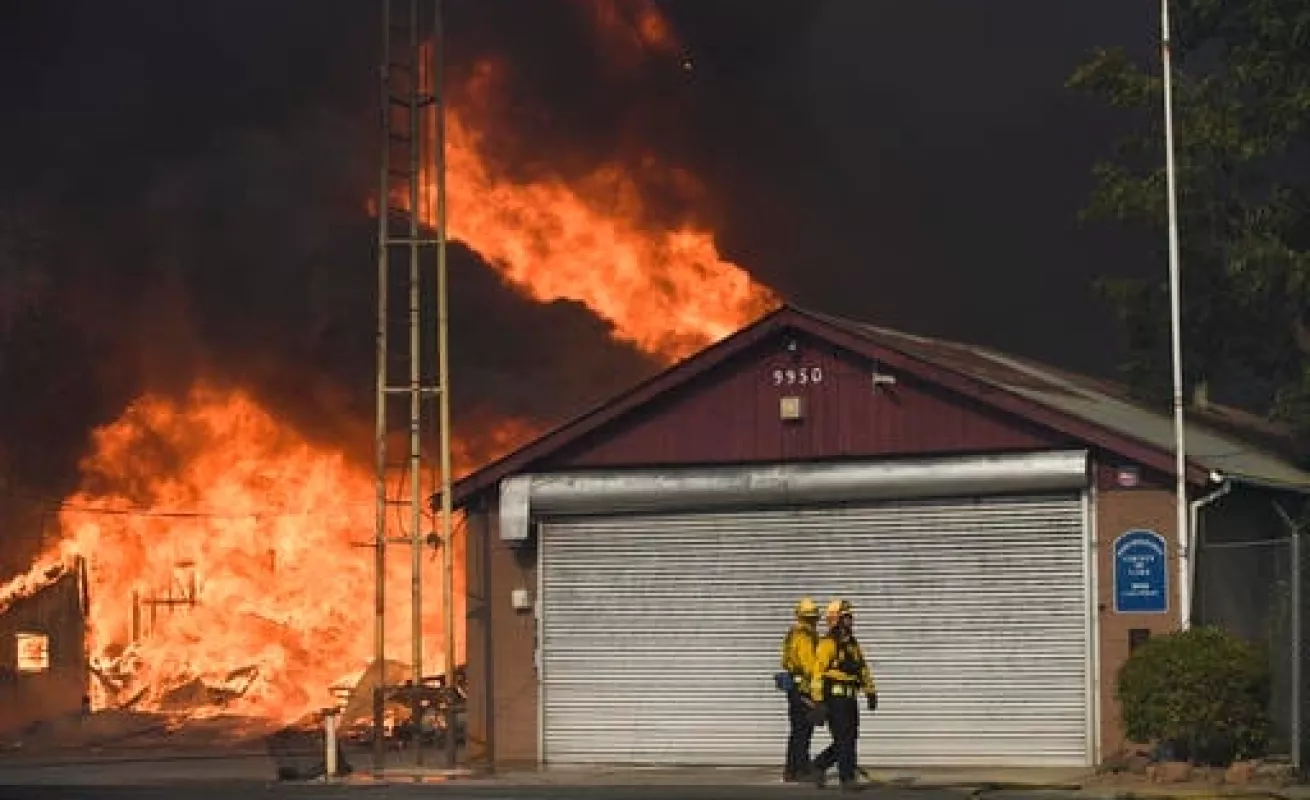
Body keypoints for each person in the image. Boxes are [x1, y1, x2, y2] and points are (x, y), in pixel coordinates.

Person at [809, 599, 877, 791]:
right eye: (846, 617)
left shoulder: (852, 643)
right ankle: (847, 779)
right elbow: (818, 673)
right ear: (836, 619)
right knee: (844, 739)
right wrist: (818, 700)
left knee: (850, 737)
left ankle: (820, 764)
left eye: (850, 617)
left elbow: (862, 668)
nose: (850, 620)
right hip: (834, 700)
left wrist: (870, 691)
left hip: (849, 699)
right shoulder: (828, 644)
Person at [779, 596, 821, 782]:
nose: (814, 621)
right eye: (811, 618)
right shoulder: (804, 636)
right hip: (803, 688)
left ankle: (791, 769)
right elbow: (810, 665)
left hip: (794, 688)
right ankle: (801, 770)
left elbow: (785, 660)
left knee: (798, 730)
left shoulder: (792, 634)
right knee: (803, 730)